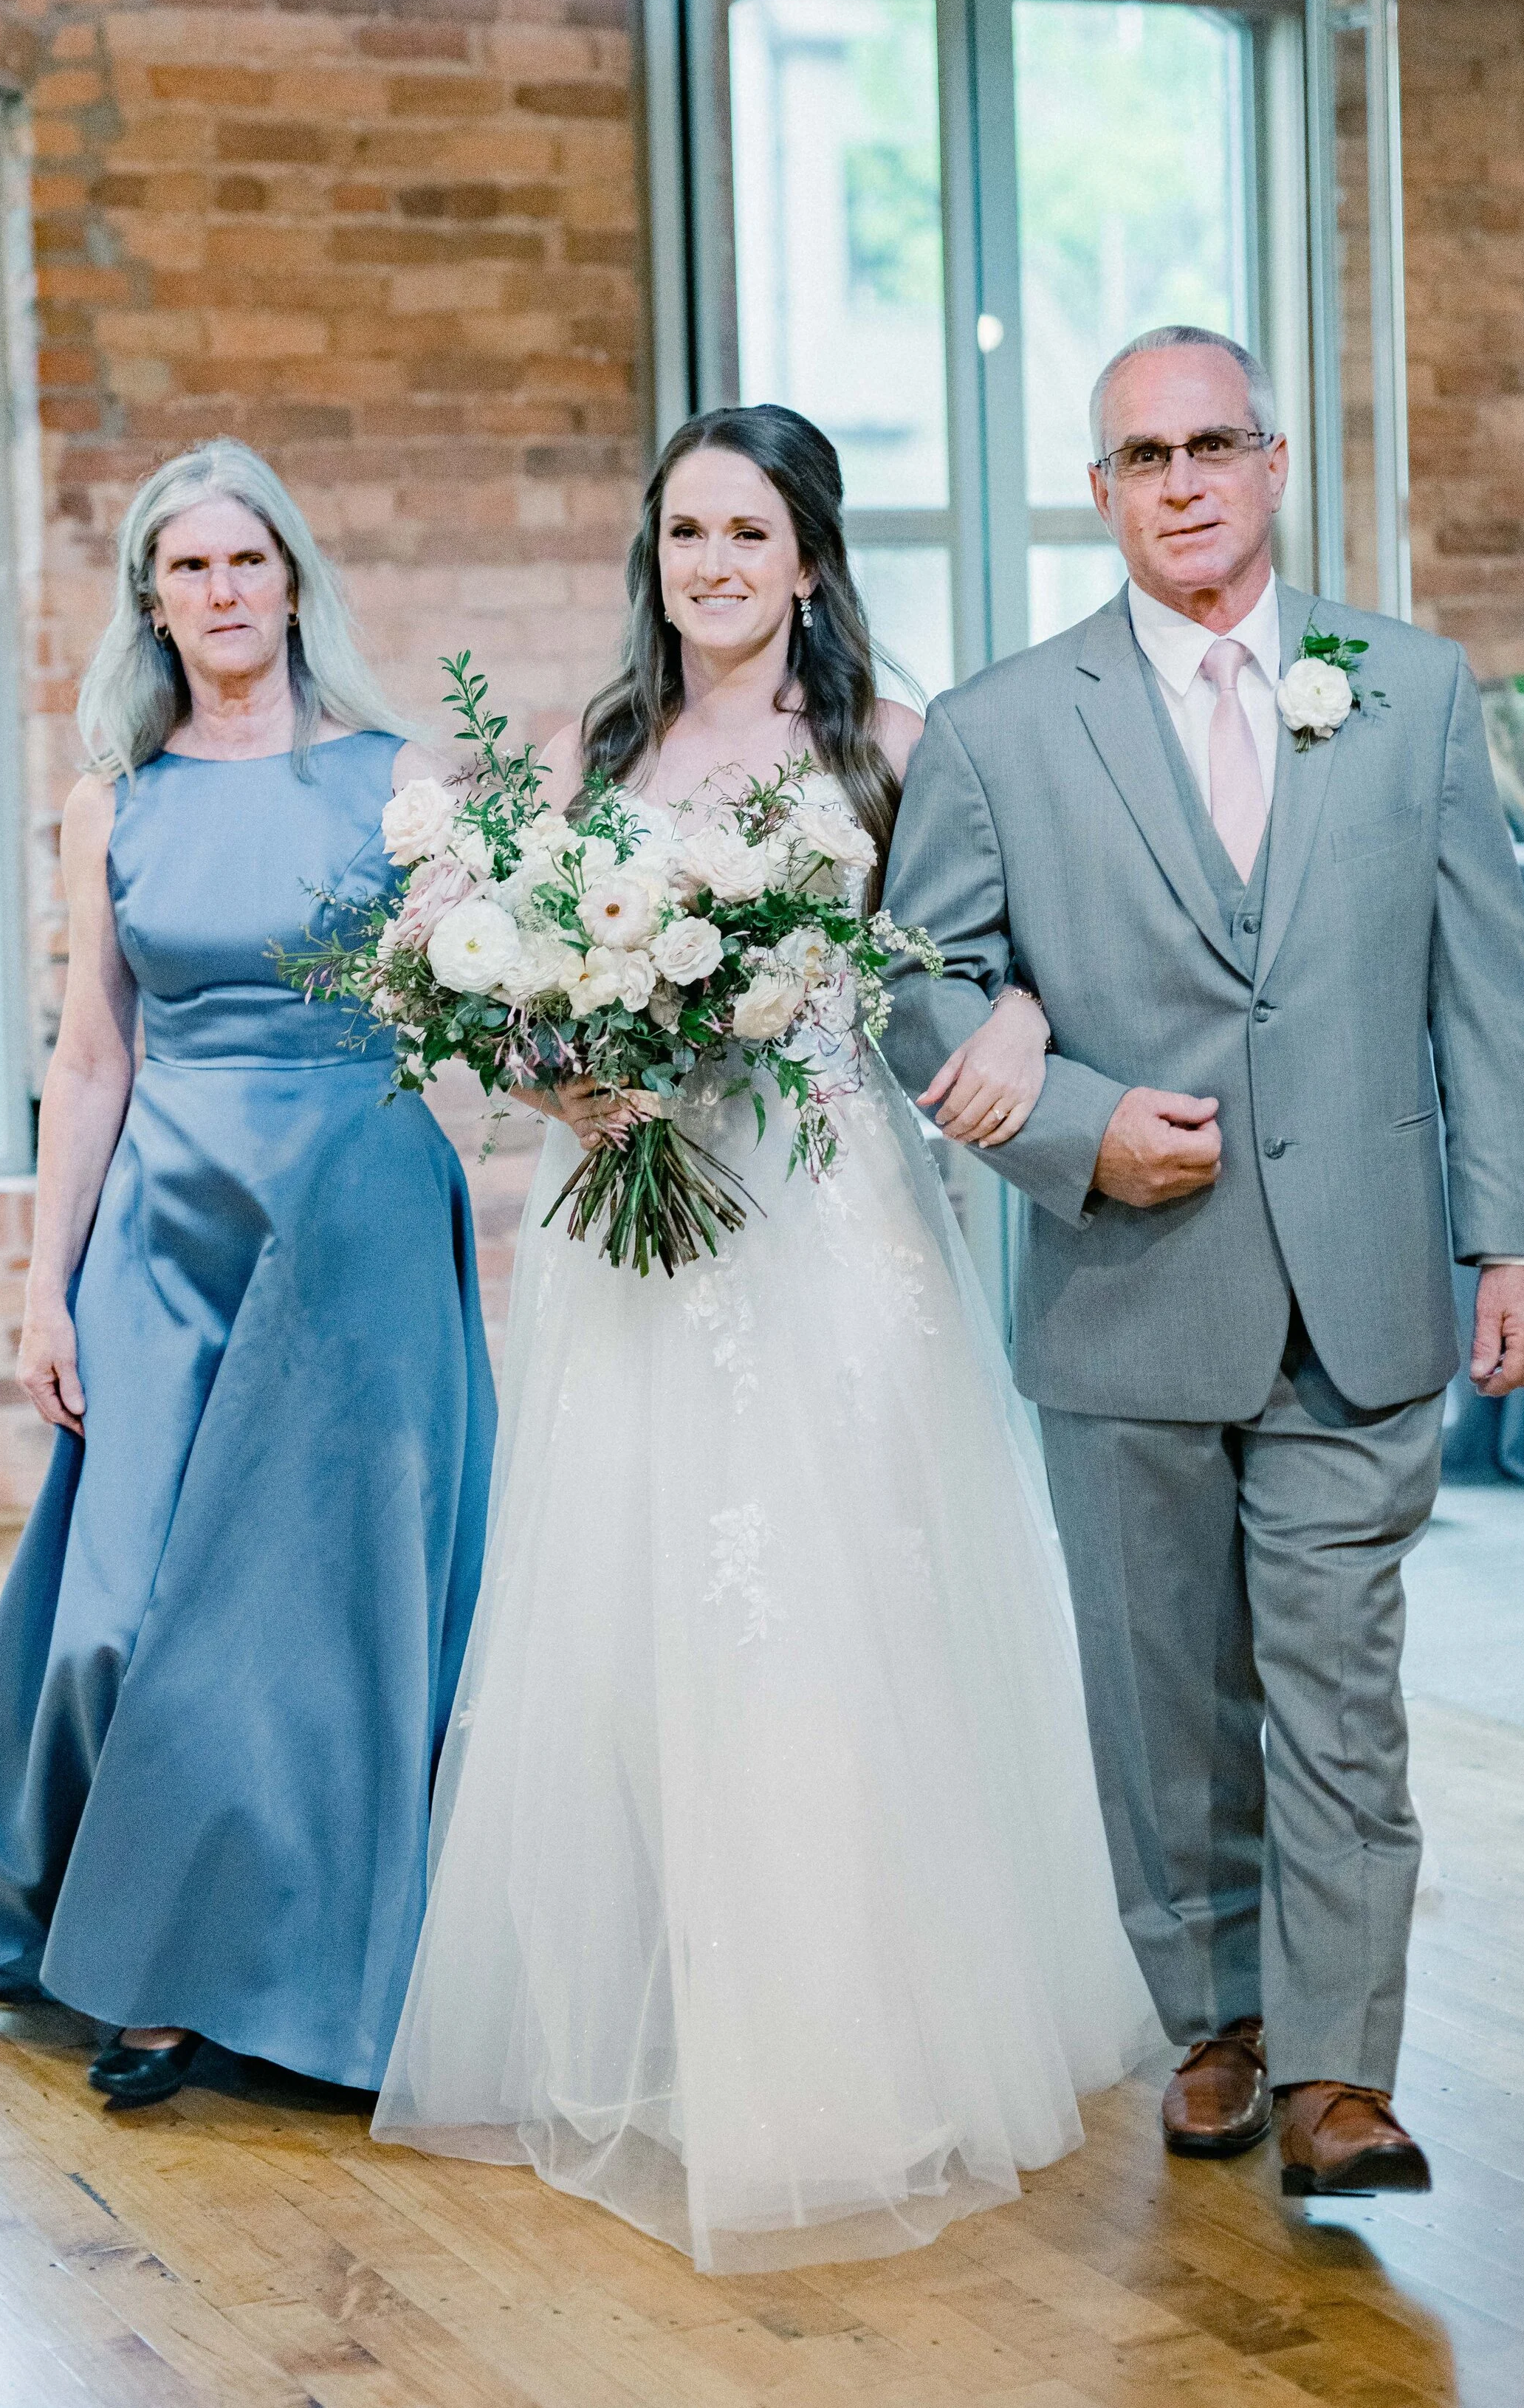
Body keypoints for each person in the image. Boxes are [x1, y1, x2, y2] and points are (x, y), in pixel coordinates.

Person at [371, 403, 1157, 2271]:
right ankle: (660, 2029)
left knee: (830, 1618)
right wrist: (555, 1076)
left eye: (746, 530)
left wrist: (1030, 1032)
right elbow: (493, 975)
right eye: (681, 532)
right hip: (629, 1241)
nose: (709, 564)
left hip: (823, 1230)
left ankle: (850, 2049)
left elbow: (1019, 950)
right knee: (633, 1623)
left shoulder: (897, 748)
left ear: (809, 555)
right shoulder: (587, 750)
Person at [883, 324, 1524, 2198]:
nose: (1180, 481)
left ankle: (1342, 2071)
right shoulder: (1000, 728)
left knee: (1339, 1685)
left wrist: (1512, 1231)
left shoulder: (1402, 689)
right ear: (1098, 495)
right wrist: (1067, 1122)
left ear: (1271, 463)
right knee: (1164, 1697)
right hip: (1123, 1290)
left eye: (1211, 444)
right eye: (1138, 457)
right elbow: (910, 982)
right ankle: (1217, 2015)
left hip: (1360, 1289)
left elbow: (1481, 991)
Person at [0, 440, 496, 2110]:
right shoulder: (118, 799)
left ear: (292, 580)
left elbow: (489, 1006)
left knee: (322, 1619)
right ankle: (131, 1922)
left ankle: (255, 1986)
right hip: (165, 1223)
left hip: (361, 1212)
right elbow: (90, 1054)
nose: (222, 591)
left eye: (247, 561)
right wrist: (45, 1286)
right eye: (189, 568)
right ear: (152, 601)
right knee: (116, 1614)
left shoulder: (404, 777)